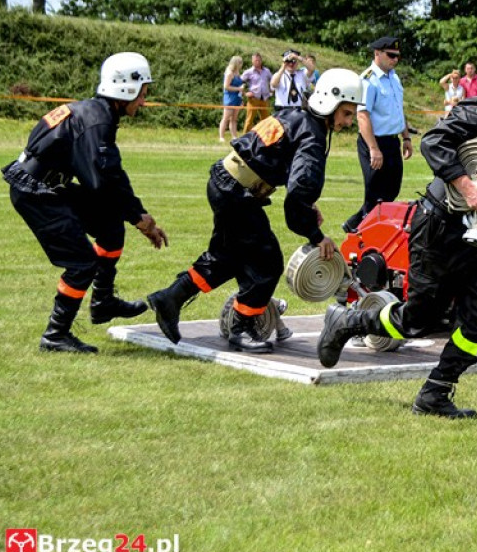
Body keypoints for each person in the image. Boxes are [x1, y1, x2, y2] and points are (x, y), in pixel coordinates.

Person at [318, 36, 477, 418]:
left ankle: (435, 393)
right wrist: (466, 185)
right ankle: (349, 321)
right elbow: (435, 141)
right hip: (439, 228)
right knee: (417, 321)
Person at [146, 69, 364, 353]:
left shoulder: (296, 115)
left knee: (227, 256)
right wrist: (316, 234)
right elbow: (296, 197)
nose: (349, 122)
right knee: (267, 262)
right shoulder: (313, 135)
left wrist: (307, 205)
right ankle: (242, 328)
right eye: (347, 114)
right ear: (330, 103)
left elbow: (278, 159)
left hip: (225, 182)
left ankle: (170, 298)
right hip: (237, 193)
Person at [2, 52, 168, 353]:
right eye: (142, 93)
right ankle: (55, 335)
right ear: (124, 89)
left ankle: (102, 301)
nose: (143, 101)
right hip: (37, 193)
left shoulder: (96, 113)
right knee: (82, 264)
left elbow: (108, 174)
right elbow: (102, 181)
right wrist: (140, 218)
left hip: (48, 185)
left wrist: (135, 213)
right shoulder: (96, 121)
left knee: (109, 225)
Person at [342, 36, 412, 233]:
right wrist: (374, 148)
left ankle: (355, 224)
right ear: (377, 53)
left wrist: (406, 137)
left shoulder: (394, 77)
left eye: (397, 56)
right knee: (376, 193)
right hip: (374, 141)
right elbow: (362, 116)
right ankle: (363, 231)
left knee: (392, 190)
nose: (395, 59)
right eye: (391, 55)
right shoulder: (368, 80)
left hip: (392, 142)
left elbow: (398, 110)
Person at [241, 52, 273, 134]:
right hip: (253, 99)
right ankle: (244, 137)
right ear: (252, 61)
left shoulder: (267, 71)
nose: (257, 62)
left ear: (261, 60)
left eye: (258, 60)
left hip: (265, 99)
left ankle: (266, 137)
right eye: (255, 60)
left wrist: (272, 91)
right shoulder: (248, 72)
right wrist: (245, 93)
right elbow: (239, 83)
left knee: (266, 120)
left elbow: (273, 81)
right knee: (249, 120)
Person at [219, 55, 245, 142]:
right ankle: (221, 137)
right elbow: (226, 86)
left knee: (234, 118)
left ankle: (234, 137)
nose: (241, 65)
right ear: (236, 63)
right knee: (226, 117)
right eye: (240, 63)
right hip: (230, 97)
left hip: (237, 97)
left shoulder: (238, 72)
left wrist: (241, 94)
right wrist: (238, 88)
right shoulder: (229, 73)